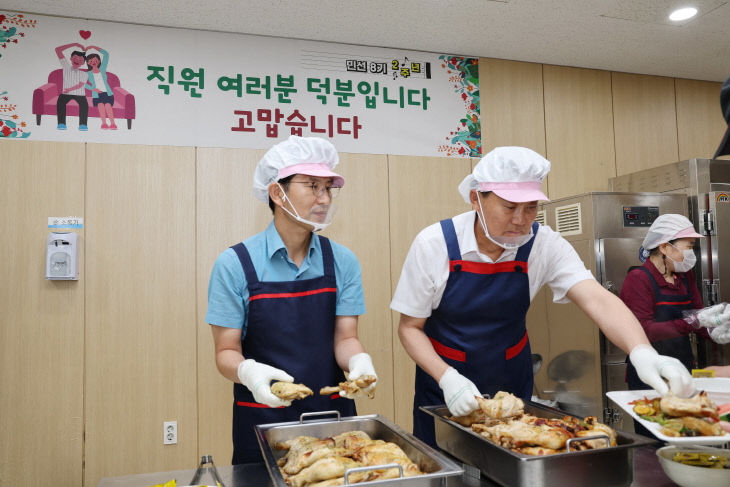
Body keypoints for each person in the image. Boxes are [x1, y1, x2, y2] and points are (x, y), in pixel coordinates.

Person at [391, 146, 695, 447]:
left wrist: (642, 351)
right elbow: (410, 328)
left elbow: (596, 298)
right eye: (510, 207)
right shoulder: (435, 245)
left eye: (531, 207)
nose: (522, 220)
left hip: (511, 382)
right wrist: (447, 378)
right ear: (476, 199)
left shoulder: (543, 244)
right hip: (445, 387)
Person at [206, 136, 377, 464]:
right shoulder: (235, 264)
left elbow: (347, 338)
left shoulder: (342, 261)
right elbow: (226, 351)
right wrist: (248, 374)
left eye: (328, 187)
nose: (324, 197)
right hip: (263, 421)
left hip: (333, 417)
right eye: (312, 185)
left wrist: (358, 362)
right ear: (277, 193)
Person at [620, 214, 730, 391]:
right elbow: (644, 331)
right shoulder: (638, 279)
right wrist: (692, 322)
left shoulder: (686, 276)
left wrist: (714, 329)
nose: (691, 254)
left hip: (683, 365)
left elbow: (698, 316)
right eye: (688, 247)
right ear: (664, 247)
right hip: (649, 372)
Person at [54, 42, 88, 131]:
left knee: (84, 105)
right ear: (71, 59)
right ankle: (61, 123)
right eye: (75, 58)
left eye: (81, 60)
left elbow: (80, 85)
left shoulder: (84, 74)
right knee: (60, 102)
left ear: (83, 62)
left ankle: (83, 125)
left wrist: (69, 89)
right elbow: (58, 50)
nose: (77, 61)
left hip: (79, 94)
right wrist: (75, 44)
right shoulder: (66, 67)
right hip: (65, 94)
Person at [84, 46, 117, 130]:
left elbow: (106, 54)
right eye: (91, 61)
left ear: (99, 61)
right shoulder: (88, 73)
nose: (93, 62)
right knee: (101, 106)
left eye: (95, 60)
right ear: (88, 63)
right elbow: (83, 84)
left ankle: (113, 123)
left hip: (107, 93)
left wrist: (92, 47)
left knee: (108, 105)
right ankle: (104, 123)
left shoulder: (102, 69)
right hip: (97, 94)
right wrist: (93, 89)